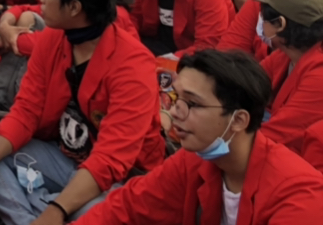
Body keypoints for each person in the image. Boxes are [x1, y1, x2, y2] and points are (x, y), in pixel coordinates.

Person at [0, 0, 163, 225]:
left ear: (74, 7)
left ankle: (39, 205)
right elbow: (26, 111)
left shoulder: (133, 65)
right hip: (61, 156)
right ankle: (26, 217)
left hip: (114, 178)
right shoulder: (55, 38)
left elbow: (110, 160)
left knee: (94, 215)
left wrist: (57, 210)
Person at [73, 49, 323, 225]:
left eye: (192, 104)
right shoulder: (195, 160)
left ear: (238, 120)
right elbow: (126, 207)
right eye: (175, 99)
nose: (173, 112)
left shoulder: (299, 198)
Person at [241, 0, 323, 157]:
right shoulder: (287, 53)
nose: (260, 21)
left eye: (263, 17)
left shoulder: (319, 77)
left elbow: (279, 134)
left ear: (280, 24)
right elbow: (243, 82)